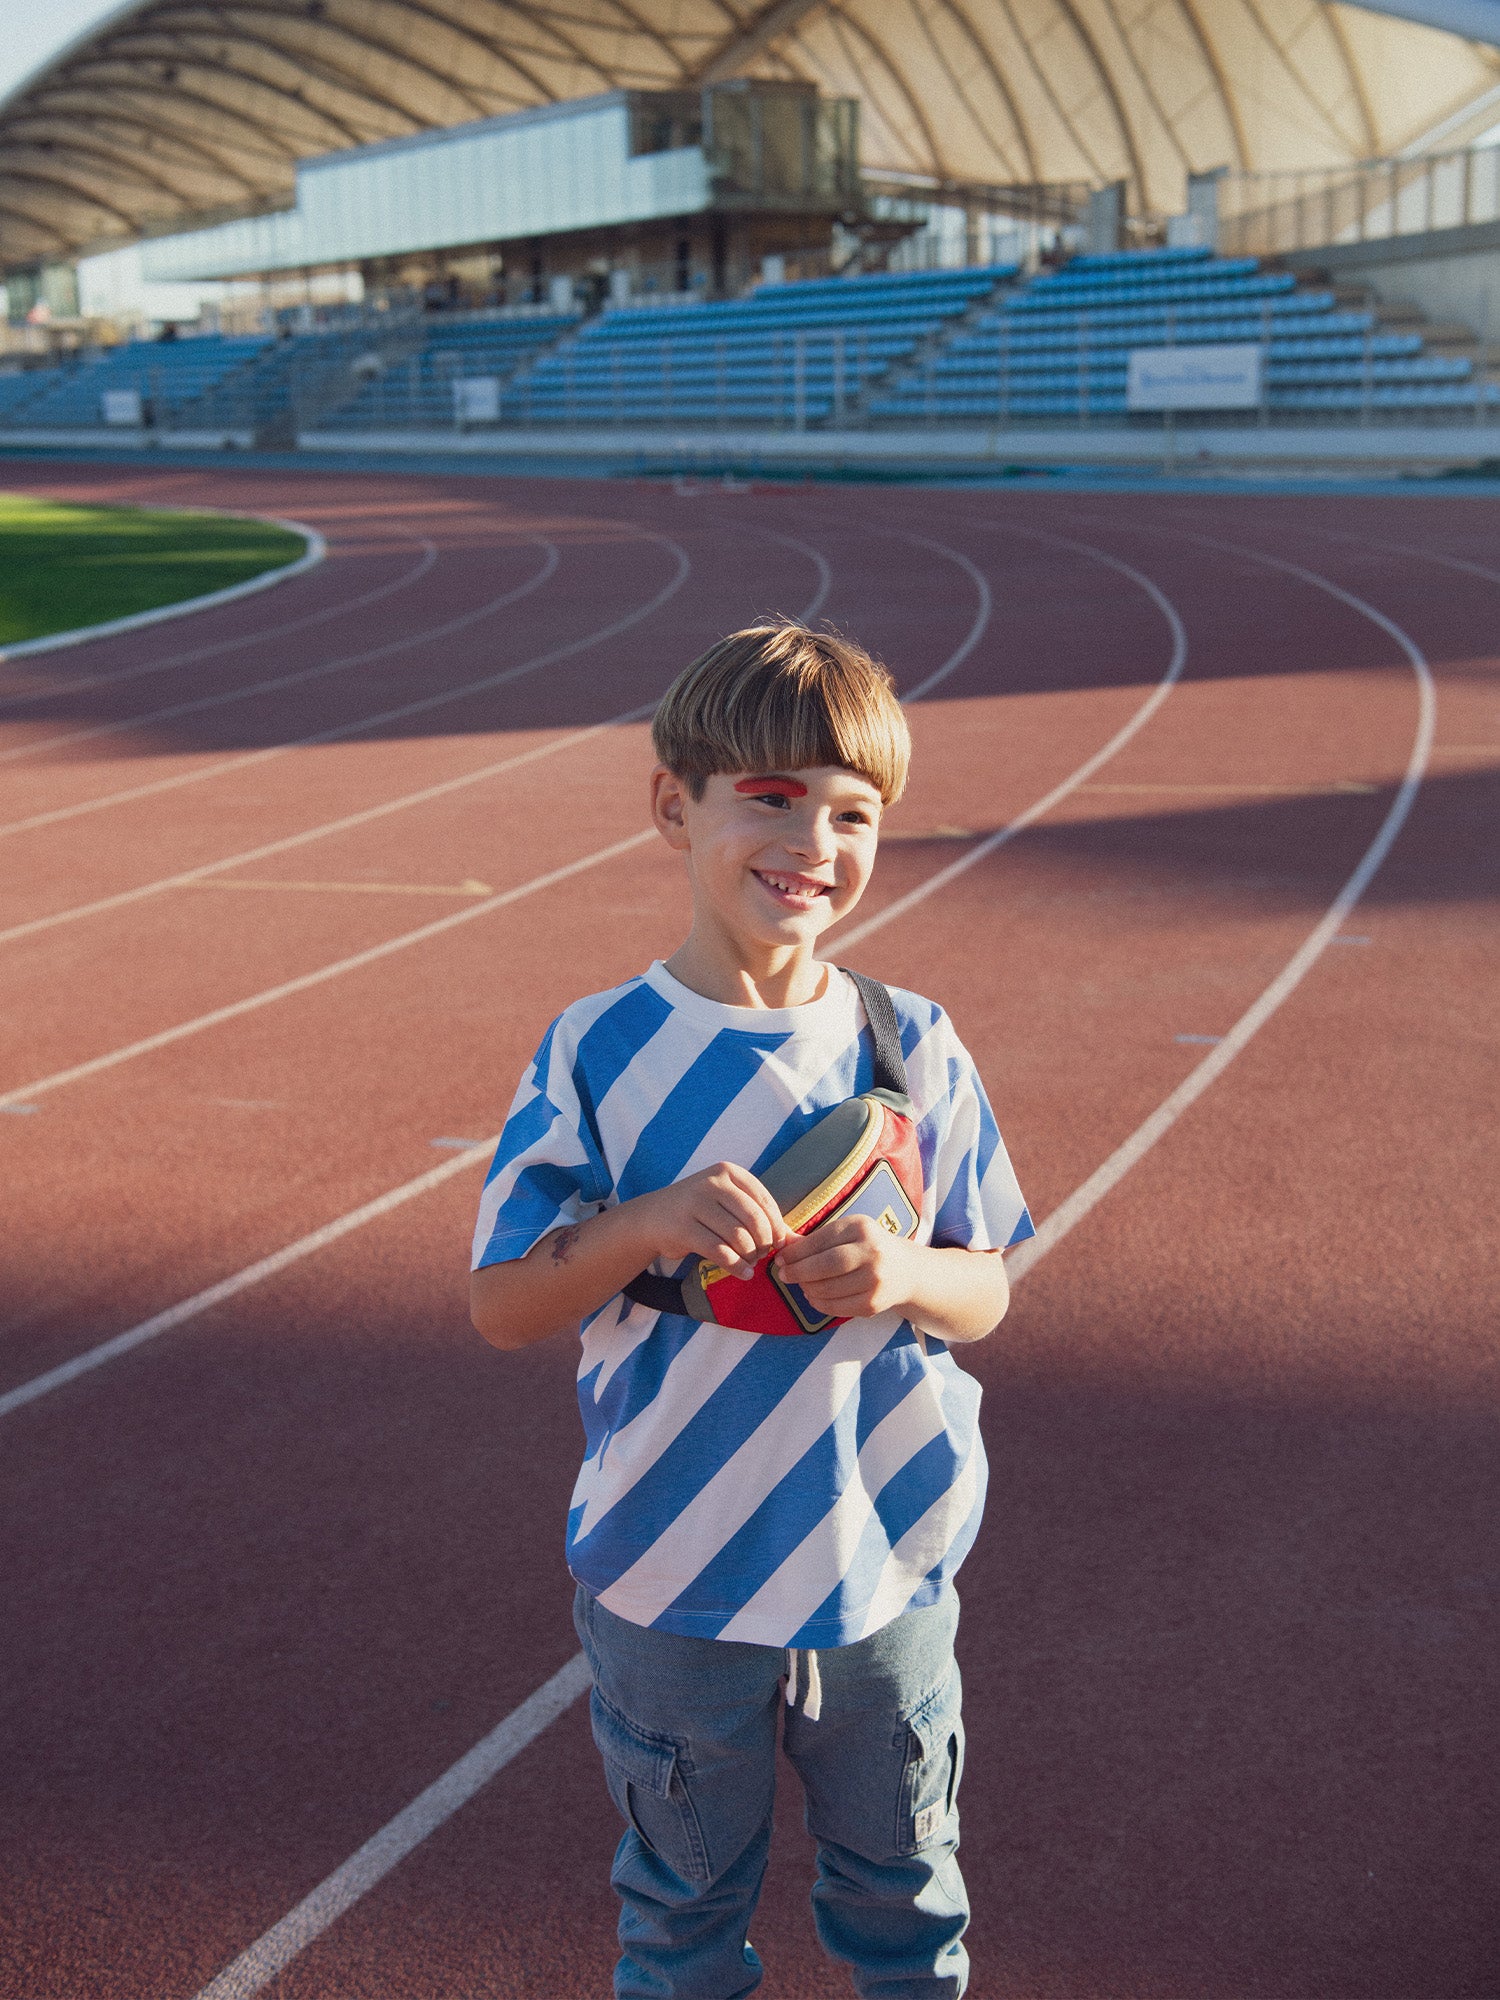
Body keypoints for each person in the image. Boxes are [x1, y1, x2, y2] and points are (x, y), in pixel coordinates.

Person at [470, 623, 1033, 1998]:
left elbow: (989, 1283)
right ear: (676, 805)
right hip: (672, 1580)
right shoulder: (599, 1050)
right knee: (679, 1912)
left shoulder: (914, 1043)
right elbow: (502, 1305)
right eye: (770, 799)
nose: (814, 843)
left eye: (852, 813)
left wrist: (904, 1276)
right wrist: (645, 1226)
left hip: (881, 1562)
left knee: (906, 1895)